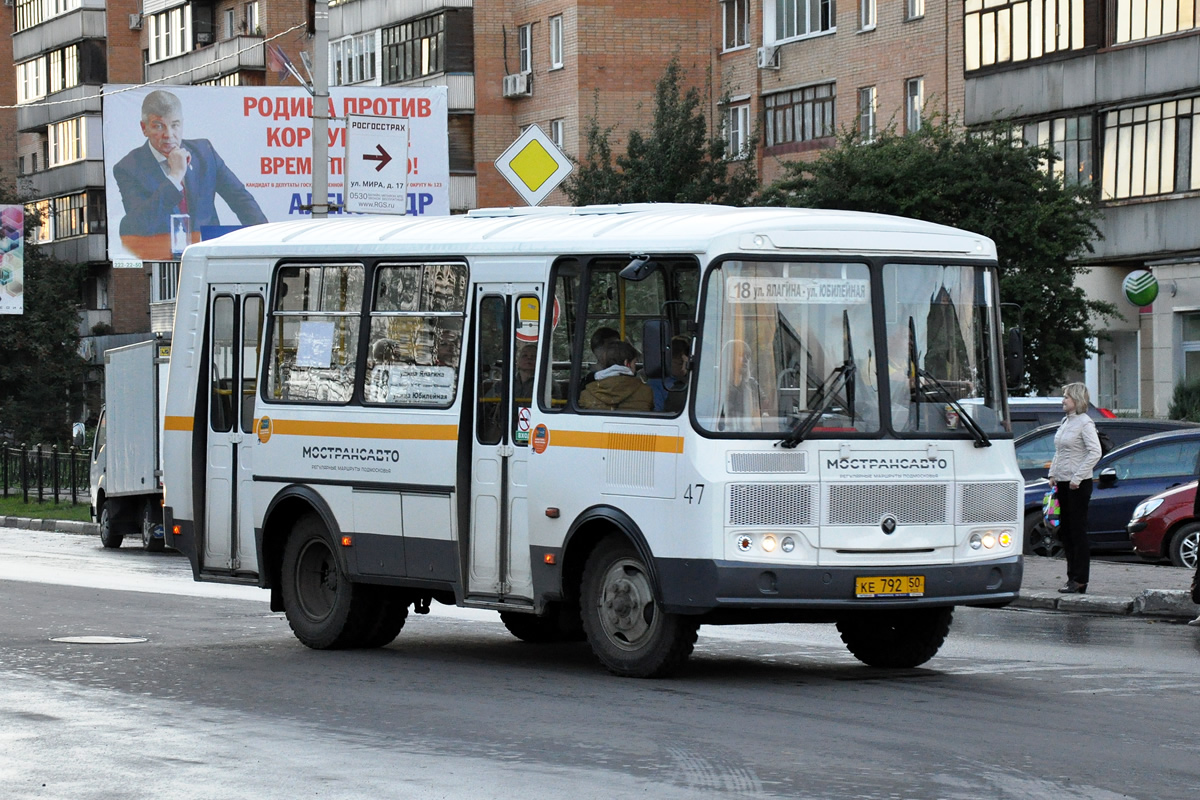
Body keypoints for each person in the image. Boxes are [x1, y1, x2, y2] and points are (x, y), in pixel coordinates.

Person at [114, 89, 267, 237]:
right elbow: (137, 225)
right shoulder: (128, 167)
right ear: (144, 128)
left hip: (207, 251)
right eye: (158, 126)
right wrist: (175, 177)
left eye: (175, 125)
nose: (169, 135)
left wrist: (266, 239)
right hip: (161, 256)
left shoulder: (204, 153)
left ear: (182, 123)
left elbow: (241, 199)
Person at [1047, 382, 1102, 595]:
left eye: (1066, 397)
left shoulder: (1085, 423)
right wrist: (1053, 473)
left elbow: (1094, 452)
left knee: (1077, 532)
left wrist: (1078, 477)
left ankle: (1080, 579)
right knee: (1066, 532)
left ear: (1077, 400)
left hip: (1078, 484)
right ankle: (1071, 577)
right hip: (1062, 481)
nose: (1063, 401)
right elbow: (1059, 451)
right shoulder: (1065, 421)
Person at [579, 340, 654, 412]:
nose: (635, 367)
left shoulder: (587, 393)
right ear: (626, 363)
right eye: (634, 363)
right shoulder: (646, 392)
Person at [649, 335, 691, 412]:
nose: (683, 368)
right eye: (680, 363)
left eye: (686, 364)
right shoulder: (657, 383)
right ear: (668, 361)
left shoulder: (693, 380)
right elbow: (657, 411)